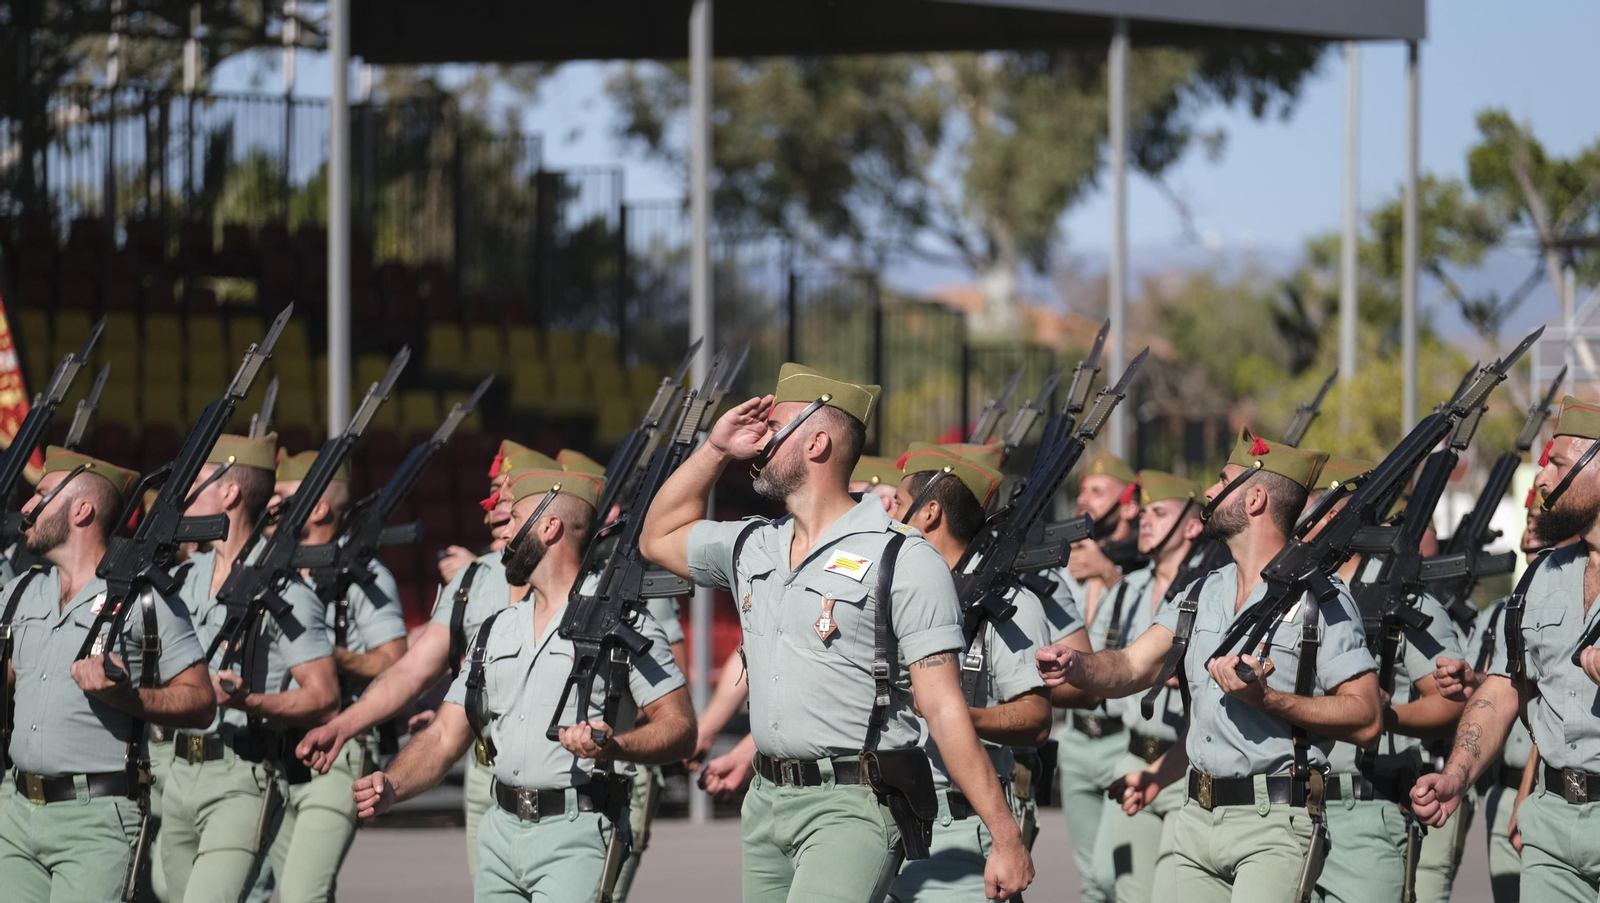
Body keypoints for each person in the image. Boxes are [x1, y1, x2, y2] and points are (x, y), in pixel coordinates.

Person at [640, 363, 1033, 902]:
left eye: (772, 429)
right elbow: (657, 537)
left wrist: (1005, 835)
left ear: (817, 443)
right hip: (766, 801)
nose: (757, 441)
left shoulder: (902, 557)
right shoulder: (754, 542)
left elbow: (943, 710)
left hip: (852, 805)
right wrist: (714, 449)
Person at [1037, 429, 1383, 901]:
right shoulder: (1200, 592)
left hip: (1275, 825)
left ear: (1256, 498)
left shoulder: (1320, 598)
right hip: (1195, 817)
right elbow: (1131, 666)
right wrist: (1076, 664)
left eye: (1224, 481)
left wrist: (1270, 700)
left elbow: (1365, 717)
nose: (1210, 491)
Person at [351, 454, 696, 901]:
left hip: (578, 836)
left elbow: (682, 727)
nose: (504, 533)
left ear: (549, 527)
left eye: (514, 518)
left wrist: (615, 746)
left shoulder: (622, 621)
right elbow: (442, 737)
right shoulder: (498, 628)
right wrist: (392, 785)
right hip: (499, 835)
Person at [295, 443, 544, 875]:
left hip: (556, 782)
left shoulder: (588, 591)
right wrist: (345, 723)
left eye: (510, 509)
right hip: (486, 774)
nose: (498, 520)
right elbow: (411, 670)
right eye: (496, 508)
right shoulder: (474, 581)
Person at [0, 448, 215, 902]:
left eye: (39, 495)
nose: (25, 507)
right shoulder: (22, 592)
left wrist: (127, 699)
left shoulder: (146, 599)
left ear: (81, 509)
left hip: (95, 821)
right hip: (14, 813)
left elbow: (201, 702)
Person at [1412, 395, 1600, 902]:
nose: (1540, 480)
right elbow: (1501, 691)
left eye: (1556, 464)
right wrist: (1456, 774)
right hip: (1553, 829)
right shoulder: (1542, 577)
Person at [159, 433, 339, 903]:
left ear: (230, 493)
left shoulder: (286, 592)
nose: (185, 494)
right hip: (177, 772)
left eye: (198, 483)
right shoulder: (184, 578)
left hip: (241, 775)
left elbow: (323, 696)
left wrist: (249, 700)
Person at [884, 442, 1053, 903]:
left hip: (955, 827)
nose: (888, 513)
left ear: (929, 512)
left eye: (898, 504)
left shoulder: (1009, 605)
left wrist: (955, 716)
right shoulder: (891, 593)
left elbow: (1036, 719)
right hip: (879, 824)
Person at [243, 450, 409, 903]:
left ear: (317, 508)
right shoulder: (269, 574)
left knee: (301, 894)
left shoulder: (363, 575)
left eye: (282, 497)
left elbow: (396, 661)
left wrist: (325, 655)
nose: (271, 506)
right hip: (279, 749)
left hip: (341, 751)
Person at [1297, 454, 1465, 903]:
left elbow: (1449, 704)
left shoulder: (1401, 597)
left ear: (1337, 518)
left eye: (1309, 514)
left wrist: (1381, 716)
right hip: (1287, 812)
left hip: (1365, 811)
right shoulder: (1289, 594)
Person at [1428, 500, 1562, 903]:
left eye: (1542, 519)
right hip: (1497, 788)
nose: (1532, 528)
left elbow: (1555, 699)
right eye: (1529, 521)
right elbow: (1496, 687)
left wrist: (1527, 792)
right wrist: (1469, 681)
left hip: (1546, 785)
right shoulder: (1501, 614)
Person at [1090, 470, 1205, 903]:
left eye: (1160, 513)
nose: (1147, 522)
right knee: (1108, 881)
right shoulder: (1130, 589)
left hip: (1183, 763)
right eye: (1146, 513)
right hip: (1134, 753)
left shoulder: (1207, 593)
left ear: (1192, 526)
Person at [1054, 449, 1140, 903]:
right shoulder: (1066, 560)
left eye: (1098, 491)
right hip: (1076, 739)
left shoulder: (1145, 564)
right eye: (1083, 490)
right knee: (1090, 881)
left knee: (1112, 877)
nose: (1084, 499)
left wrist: (1108, 575)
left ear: (1128, 504)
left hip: (1120, 739)